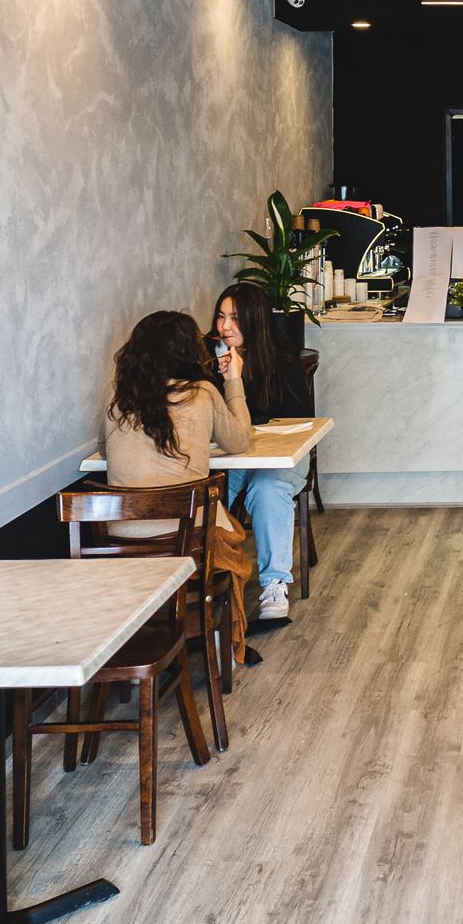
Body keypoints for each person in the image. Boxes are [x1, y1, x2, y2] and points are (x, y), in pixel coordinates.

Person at [103, 310, 253, 661]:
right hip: (188, 544)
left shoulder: (117, 398)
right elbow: (240, 440)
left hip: (123, 545)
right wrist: (233, 380)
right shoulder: (201, 393)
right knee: (230, 532)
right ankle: (221, 637)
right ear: (189, 351)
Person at [212, 282, 314, 624]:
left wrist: (238, 381)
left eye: (235, 318)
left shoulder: (282, 362)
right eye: (221, 317)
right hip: (237, 457)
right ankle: (213, 577)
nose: (225, 326)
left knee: (267, 489)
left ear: (254, 321)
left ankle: (274, 584)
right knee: (210, 491)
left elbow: (300, 419)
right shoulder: (212, 364)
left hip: (284, 459)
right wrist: (227, 378)